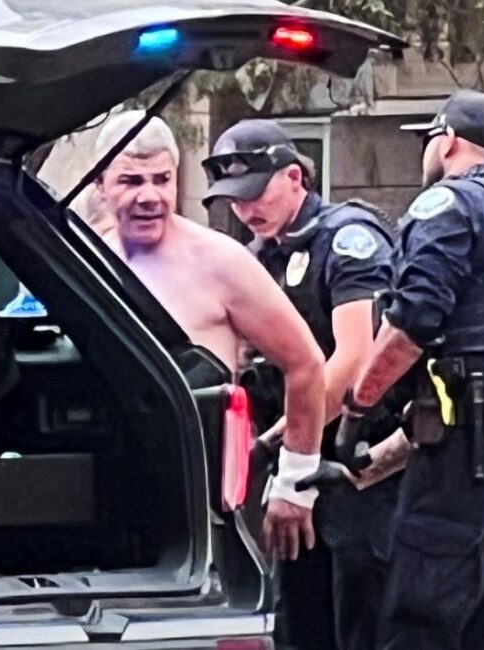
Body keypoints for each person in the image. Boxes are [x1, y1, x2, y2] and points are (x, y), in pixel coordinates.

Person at [335, 89, 484, 650]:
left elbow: (413, 324)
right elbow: (479, 378)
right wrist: (366, 467)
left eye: (427, 139)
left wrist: (358, 406)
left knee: (417, 629)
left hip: (470, 466)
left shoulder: (448, 204)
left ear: (446, 140)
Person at [92, 111, 327, 561]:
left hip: (208, 495)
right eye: (131, 181)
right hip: (112, 485)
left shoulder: (221, 261)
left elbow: (306, 363)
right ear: (101, 184)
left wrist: (296, 482)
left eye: (162, 179)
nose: (149, 196)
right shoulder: (87, 258)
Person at [202, 119, 400, 650]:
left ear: (296, 177)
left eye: (256, 193)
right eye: (234, 200)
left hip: (357, 466)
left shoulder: (347, 238)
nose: (245, 210)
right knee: (299, 620)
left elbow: (356, 356)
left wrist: (283, 448)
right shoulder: (256, 255)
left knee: (359, 619)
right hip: (297, 464)